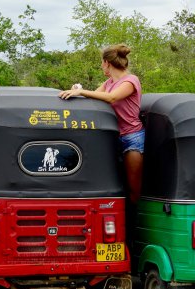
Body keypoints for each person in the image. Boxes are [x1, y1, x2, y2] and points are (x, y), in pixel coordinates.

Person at [59, 44, 144, 204]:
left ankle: (134, 225)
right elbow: (96, 97)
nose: (101, 66)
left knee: (133, 189)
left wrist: (82, 92)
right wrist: (78, 90)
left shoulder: (131, 81)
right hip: (113, 136)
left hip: (132, 138)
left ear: (107, 63)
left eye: (101, 63)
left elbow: (111, 98)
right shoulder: (109, 82)